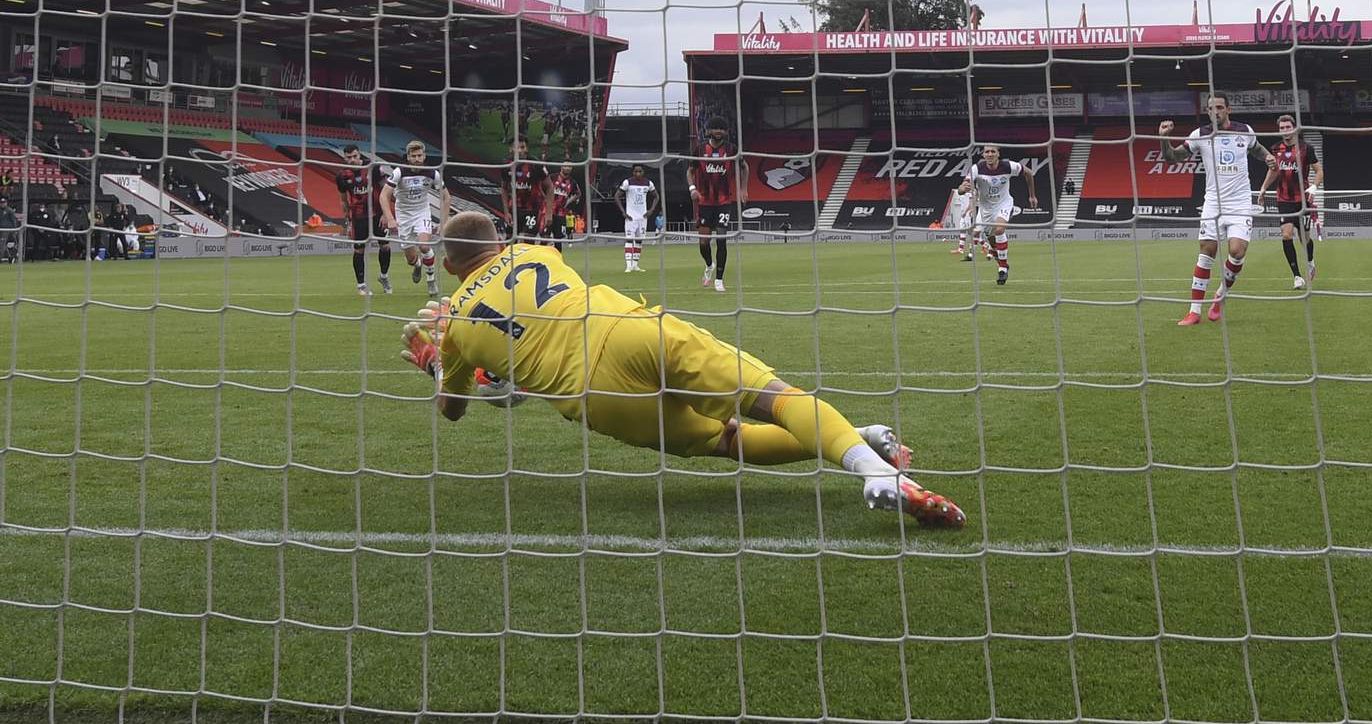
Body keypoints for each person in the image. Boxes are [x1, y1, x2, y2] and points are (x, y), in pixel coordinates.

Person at [399, 212, 966, 529]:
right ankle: (873, 467)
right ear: (499, 240)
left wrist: (437, 360)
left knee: (727, 440)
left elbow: (455, 410)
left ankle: (861, 444)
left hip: (592, 395)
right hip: (629, 327)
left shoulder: (458, 332)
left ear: (446, 266)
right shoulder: (535, 251)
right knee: (773, 398)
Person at [1159, 93, 1274, 325]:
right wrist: (1164, 138)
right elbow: (1172, 157)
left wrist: (1268, 156)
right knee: (1206, 253)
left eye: (1220, 107)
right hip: (1213, 201)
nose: (1215, 112)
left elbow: (1257, 149)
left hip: (1240, 202)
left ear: (1228, 109)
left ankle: (1221, 294)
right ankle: (1194, 312)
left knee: (1237, 251)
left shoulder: (1244, 131)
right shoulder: (1199, 135)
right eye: (1211, 108)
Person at [1256, 114, 1322, 289]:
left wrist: (1314, 186)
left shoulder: (1306, 148)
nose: (1285, 130)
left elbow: (1319, 170)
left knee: (1304, 237)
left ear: (1294, 128)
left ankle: (1310, 261)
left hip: (1303, 200)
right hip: (1284, 199)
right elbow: (1274, 171)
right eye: (1282, 128)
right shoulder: (1275, 149)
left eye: (1287, 127)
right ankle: (1297, 277)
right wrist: (1263, 188)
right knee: (1286, 234)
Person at [379, 140, 450, 296]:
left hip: (422, 212)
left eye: (420, 155)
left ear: (424, 156)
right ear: (408, 157)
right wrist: (390, 218)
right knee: (411, 258)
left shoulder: (433, 173)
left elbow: (446, 198)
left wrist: (444, 222)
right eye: (414, 156)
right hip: (403, 215)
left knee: (424, 246)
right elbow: (384, 196)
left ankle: (431, 280)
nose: (417, 159)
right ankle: (418, 265)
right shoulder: (399, 172)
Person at [963, 145, 1038, 286]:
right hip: (985, 210)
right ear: (983, 155)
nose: (990, 154)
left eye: (993, 151)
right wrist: (962, 189)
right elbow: (964, 185)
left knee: (999, 229)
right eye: (987, 152)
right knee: (992, 242)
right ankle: (1001, 260)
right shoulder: (976, 168)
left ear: (998, 154)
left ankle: (1002, 269)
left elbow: (1029, 172)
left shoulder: (1008, 166)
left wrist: (1032, 195)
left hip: (1004, 203)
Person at [687, 116, 744, 292]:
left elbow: (745, 167)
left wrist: (743, 189)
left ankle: (719, 279)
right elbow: (690, 170)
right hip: (704, 202)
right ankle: (709, 265)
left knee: (721, 238)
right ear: (709, 130)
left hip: (724, 201)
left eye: (722, 128)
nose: (718, 131)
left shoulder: (731, 149)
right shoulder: (700, 150)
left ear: (725, 132)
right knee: (704, 242)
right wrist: (692, 188)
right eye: (715, 128)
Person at [338, 144, 392, 296]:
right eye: (349, 157)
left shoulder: (373, 168)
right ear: (344, 158)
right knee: (359, 250)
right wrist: (347, 222)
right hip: (358, 218)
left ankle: (384, 277)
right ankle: (361, 286)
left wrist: (385, 214)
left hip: (377, 215)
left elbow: (385, 191)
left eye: (355, 156)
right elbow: (343, 201)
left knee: (385, 247)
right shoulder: (342, 176)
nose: (352, 160)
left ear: (359, 155)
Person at [501, 139, 552, 244]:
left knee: (528, 243)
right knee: (510, 242)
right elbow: (504, 189)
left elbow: (550, 187)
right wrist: (506, 213)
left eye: (523, 147)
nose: (519, 150)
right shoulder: (506, 165)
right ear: (511, 149)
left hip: (532, 209)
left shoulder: (535, 164)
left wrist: (548, 213)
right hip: (513, 210)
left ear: (527, 149)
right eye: (516, 147)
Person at [615, 164, 659, 273]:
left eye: (640, 171)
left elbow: (656, 196)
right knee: (629, 239)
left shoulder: (648, 183)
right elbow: (617, 196)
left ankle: (635, 265)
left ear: (643, 172)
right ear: (633, 172)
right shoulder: (627, 182)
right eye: (636, 171)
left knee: (639, 241)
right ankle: (628, 265)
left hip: (643, 217)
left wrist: (651, 210)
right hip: (631, 217)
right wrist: (623, 212)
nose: (638, 174)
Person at [547, 164, 578, 253]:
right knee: (545, 236)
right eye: (565, 166)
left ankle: (558, 259)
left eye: (570, 166)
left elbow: (578, 193)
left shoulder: (572, 182)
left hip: (560, 213)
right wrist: (545, 199)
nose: (567, 168)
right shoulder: (553, 177)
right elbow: (542, 186)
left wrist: (568, 202)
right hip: (548, 210)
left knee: (558, 238)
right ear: (561, 167)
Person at [950, 179, 977, 258]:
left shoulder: (972, 192)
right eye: (964, 184)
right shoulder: (962, 191)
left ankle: (984, 246)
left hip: (968, 214)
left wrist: (966, 212)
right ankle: (960, 249)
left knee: (970, 232)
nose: (965, 185)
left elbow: (971, 203)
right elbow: (959, 189)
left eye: (967, 184)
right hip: (963, 214)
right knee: (962, 230)